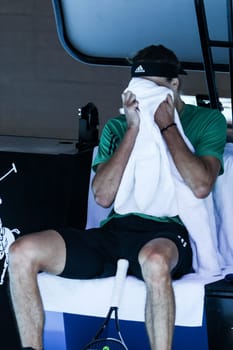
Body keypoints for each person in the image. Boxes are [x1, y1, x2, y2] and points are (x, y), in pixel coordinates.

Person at [8, 44, 227, 350]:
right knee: (22, 252)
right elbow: (103, 195)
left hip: (169, 231)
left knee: (154, 260)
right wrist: (134, 130)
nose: (145, 96)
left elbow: (201, 185)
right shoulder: (117, 127)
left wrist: (166, 127)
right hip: (116, 231)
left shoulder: (205, 121)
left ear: (174, 86)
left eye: (153, 89)